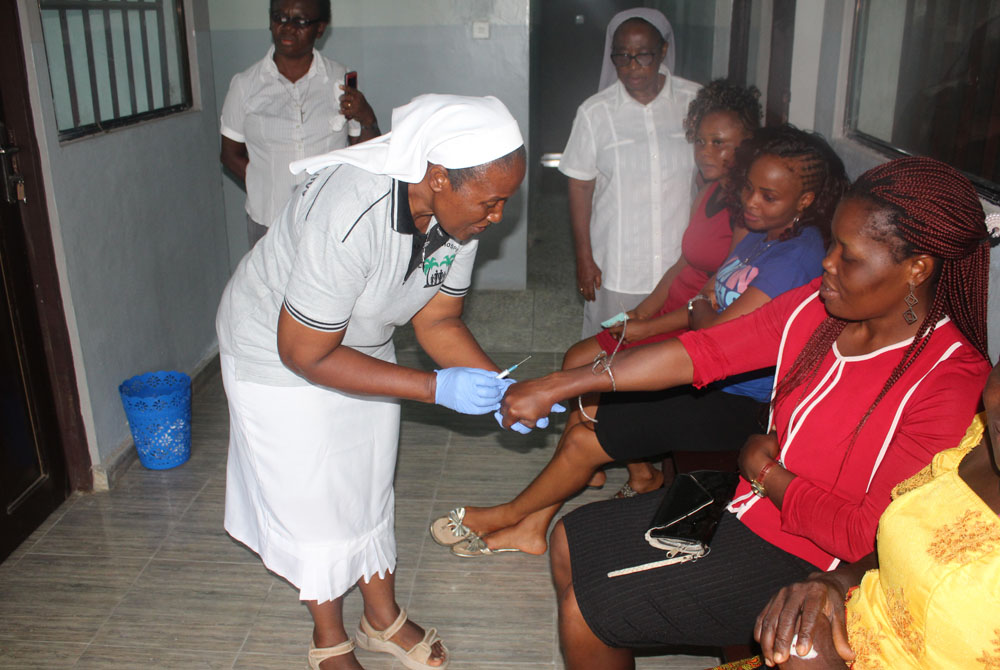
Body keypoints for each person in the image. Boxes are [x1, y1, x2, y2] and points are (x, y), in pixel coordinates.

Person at [498, 156, 994, 669]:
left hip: (810, 558)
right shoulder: (817, 309)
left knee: (590, 604)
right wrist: (563, 383)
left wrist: (764, 472)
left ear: (917, 269)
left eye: (849, 256)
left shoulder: (949, 378)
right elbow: (706, 351)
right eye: (832, 245)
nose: (827, 263)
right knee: (569, 538)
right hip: (742, 503)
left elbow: (868, 534)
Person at [431, 125, 847, 557]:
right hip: (706, 374)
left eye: (768, 196)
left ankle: (508, 514)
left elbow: (719, 333)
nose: (750, 202)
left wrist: (703, 313)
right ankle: (532, 527)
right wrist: (692, 313)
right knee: (586, 407)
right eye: (750, 189)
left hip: (739, 399)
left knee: (583, 436)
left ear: (805, 201)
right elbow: (707, 302)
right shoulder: (764, 234)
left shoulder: (798, 257)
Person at [216, 94, 528, 670]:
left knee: (365, 482)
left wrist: (501, 391)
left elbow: (437, 319)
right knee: (316, 499)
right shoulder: (351, 210)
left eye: (503, 200)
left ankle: (380, 619)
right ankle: (329, 638)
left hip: (357, 340)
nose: (498, 216)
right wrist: (436, 389)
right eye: (491, 201)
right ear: (437, 177)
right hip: (277, 351)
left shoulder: (460, 217)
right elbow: (305, 354)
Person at [754, 350, 1000, 669]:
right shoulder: (981, 437)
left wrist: (763, 471)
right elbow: (907, 547)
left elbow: (855, 530)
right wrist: (836, 583)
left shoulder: (945, 377)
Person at [559, 8, 701, 338]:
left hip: (679, 263)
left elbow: (711, 177)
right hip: (617, 264)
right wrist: (584, 257)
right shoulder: (595, 113)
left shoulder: (695, 101)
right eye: (621, 57)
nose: (632, 66)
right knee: (605, 357)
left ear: (663, 50)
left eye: (643, 55)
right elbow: (580, 186)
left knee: (671, 358)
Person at [220, 0, 381, 247]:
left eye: (300, 21)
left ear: (320, 29)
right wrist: (264, 184)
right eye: (280, 18)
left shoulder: (340, 80)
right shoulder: (245, 86)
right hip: (269, 223)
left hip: (329, 221)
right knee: (270, 286)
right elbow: (230, 155)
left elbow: (364, 154)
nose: (288, 27)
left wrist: (368, 117)